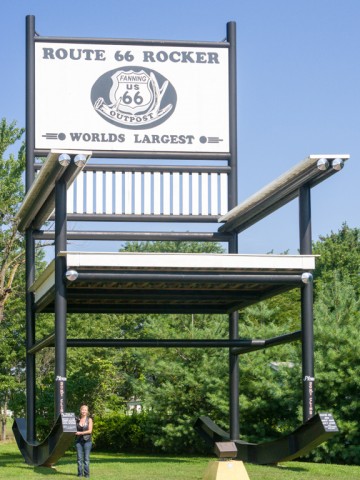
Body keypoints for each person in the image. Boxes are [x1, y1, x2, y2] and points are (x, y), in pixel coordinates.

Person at [75, 405, 93, 478]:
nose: (84, 411)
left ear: (87, 411)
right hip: (78, 441)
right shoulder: (77, 419)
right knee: (79, 459)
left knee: (86, 459)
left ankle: (86, 474)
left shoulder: (89, 419)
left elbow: (90, 431)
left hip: (87, 441)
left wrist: (80, 433)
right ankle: (79, 474)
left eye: (85, 410)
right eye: (83, 410)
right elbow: (72, 428)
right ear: (80, 410)